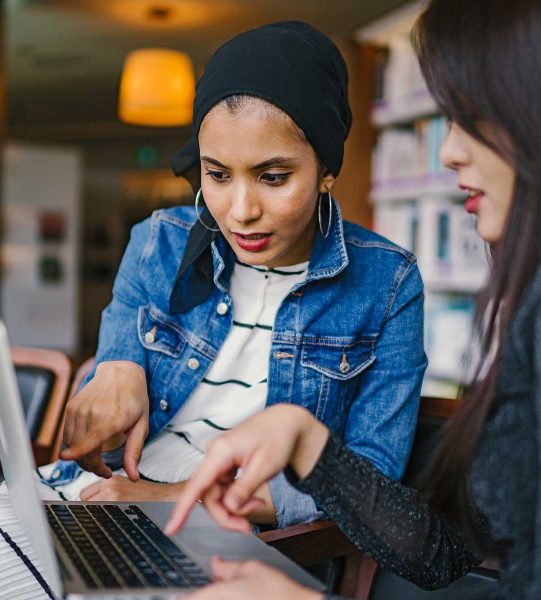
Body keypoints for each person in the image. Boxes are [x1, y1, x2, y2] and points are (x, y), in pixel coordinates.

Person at [165, 1, 541, 599]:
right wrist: (305, 438)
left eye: (474, 117)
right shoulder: (526, 309)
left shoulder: (391, 282)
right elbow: (445, 558)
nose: (448, 153)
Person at [47, 21, 426, 529]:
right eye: (218, 175)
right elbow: (113, 375)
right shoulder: (159, 241)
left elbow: (368, 483)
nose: (241, 211)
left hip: (229, 536)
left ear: (327, 171)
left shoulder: (389, 283)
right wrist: (116, 368)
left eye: (273, 177)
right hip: (100, 497)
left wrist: (172, 497)